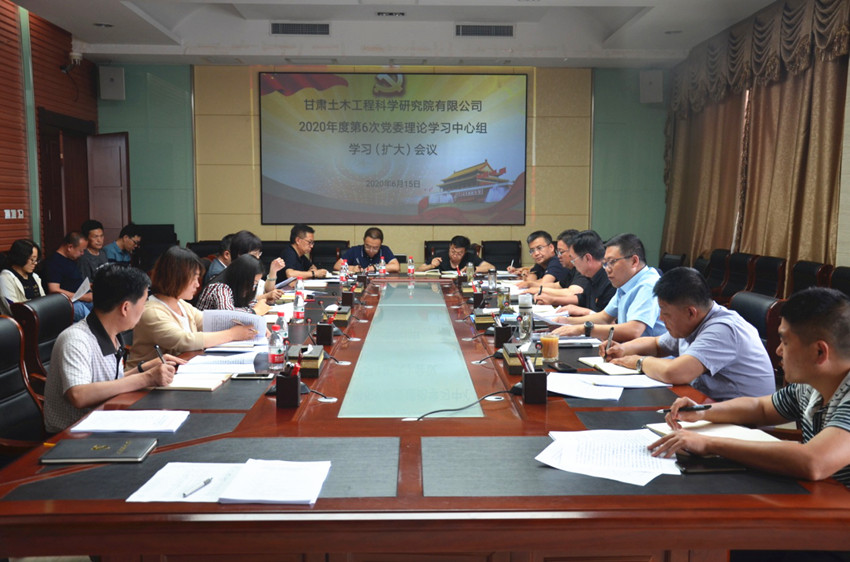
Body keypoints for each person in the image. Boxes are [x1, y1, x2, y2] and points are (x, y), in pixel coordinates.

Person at [650, 287, 850, 480]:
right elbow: (761, 407)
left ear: (819, 352)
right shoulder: (810, 386)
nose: (779, 351)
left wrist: (709, 444)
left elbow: (814, 461)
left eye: (786, 342)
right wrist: (702, 412)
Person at [42, 264, 181, 434]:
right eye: (144, 303)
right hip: (72, 436)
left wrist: (143, 368)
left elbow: (109, 384)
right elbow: (79, 395)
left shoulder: (111, 334)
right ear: (125, 308)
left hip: (103, 422)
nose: (144, 309)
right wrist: (146, 378)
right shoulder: (75, 339)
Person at [602, 267, 775, 400]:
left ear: (691, 312)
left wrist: (638, 361)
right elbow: (656, 344)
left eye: (666, 313)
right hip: (707, 406)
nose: (661, 318)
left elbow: (675, 373)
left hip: (742, 425)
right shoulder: (693, 323)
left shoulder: (723, 329)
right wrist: (623, 349)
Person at [129, 246, 258, 366]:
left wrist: (252, 325)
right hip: (146, 380)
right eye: (194, 278)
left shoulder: (181, 304)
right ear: (176, 278)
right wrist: (232, 334)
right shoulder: (152, 311)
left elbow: (211, 321)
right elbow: (185, 341)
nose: (197, 284)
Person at [552, 233, 666, 342]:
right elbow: (604, 317)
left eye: (612, 262)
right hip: (630, 351)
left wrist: (583, 329)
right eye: (605, 263)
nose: (607, 269)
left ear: (634, 261)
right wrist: (566, 321)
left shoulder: (648, 285)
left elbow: (634, 330)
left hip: (650, 355)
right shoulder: (625, 283)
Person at [545, 229, 615, 314]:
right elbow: (582, 299)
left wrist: (583, 313)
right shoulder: (591, 276)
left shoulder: (611, 281)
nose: (573, 263)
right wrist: (553, 300)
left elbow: (607, 319)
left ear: (587, 258)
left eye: (573, 259)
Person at [528, 229, 591, 305]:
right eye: (558, 252)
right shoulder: (573, 269)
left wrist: (540, 290)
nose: (558, 256)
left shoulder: (585, 268)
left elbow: (572, 292)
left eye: (561, 252)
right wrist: (530, 286)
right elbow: (556, 286)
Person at [196, 254, 270, 315]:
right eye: (252, 283)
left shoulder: (236, 286)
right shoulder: (219, 287)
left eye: (255, 284)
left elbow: (248, 304)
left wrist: (259, 305)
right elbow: (228, 313)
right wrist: (254, 311)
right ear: (241, 278)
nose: (253, 289)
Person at [43, 231, 92, 321]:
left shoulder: (71, 259)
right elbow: (54, 289)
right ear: (70, 247)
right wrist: (84, 297)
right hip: (67, 302)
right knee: (85, 313)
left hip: (81, 297)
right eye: (80, 250)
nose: (82, 254)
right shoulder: (54, 262)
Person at [227, 229, 285, 299]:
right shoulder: (232, 275)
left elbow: (266, 290)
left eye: (259, 254)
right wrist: (265, 296)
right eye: (254, 254)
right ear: (240, 254)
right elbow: (240, 302)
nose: (257, 257)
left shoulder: (251, 270)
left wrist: (273, 271)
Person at [334, 227, 399, 274]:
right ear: (364, 240)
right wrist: (352, 268)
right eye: (368, 246)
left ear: (381, 244)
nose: (371, 251)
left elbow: (396, 267)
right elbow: (337, 266)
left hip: (380, 285)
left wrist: (375, 267)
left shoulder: (384, 250)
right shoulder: (355, 250)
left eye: (375, 248)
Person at [0, 239, 45, 306]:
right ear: (21, 257)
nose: (35, 263)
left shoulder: (34, 276)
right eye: (32, 259)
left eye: (36, 260)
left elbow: (44, 300)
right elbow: (14, 308)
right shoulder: (5, 278)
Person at [419, 235, 494, 274]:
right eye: (453, 251)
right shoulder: (440, 256)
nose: (455, 255)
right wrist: (431, 266)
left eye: (459, 253)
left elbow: (492, 268)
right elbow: (418, 270)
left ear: (465, 252)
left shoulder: (470, 257)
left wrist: (473, 269)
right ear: (450, 247)